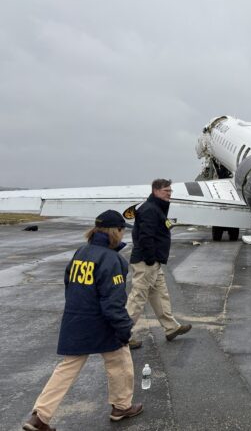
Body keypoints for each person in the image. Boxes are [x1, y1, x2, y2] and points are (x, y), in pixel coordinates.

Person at [23, 210, 142, 431]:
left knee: (67, 368)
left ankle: (39, 416)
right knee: (120, 360)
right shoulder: (113, 259)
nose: (123, 234)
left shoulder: (81, 252)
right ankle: (121, 406)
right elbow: (113, 302)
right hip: (102, 322)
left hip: (76, 318)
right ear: (115, 231)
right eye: (122, 230)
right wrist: (124, 329)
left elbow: (69, 283)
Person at [126, 179, 191, 349]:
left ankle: (171, 328)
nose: (169, 193)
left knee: (160, 295)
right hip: (146, 262)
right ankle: (121, 335)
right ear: (155, 191)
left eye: (170, 190)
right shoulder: (149, 210)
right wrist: (150, 259)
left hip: (153, 261)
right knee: (138, 298)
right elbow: (145, 237)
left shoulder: (156, 208)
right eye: (165, 191)